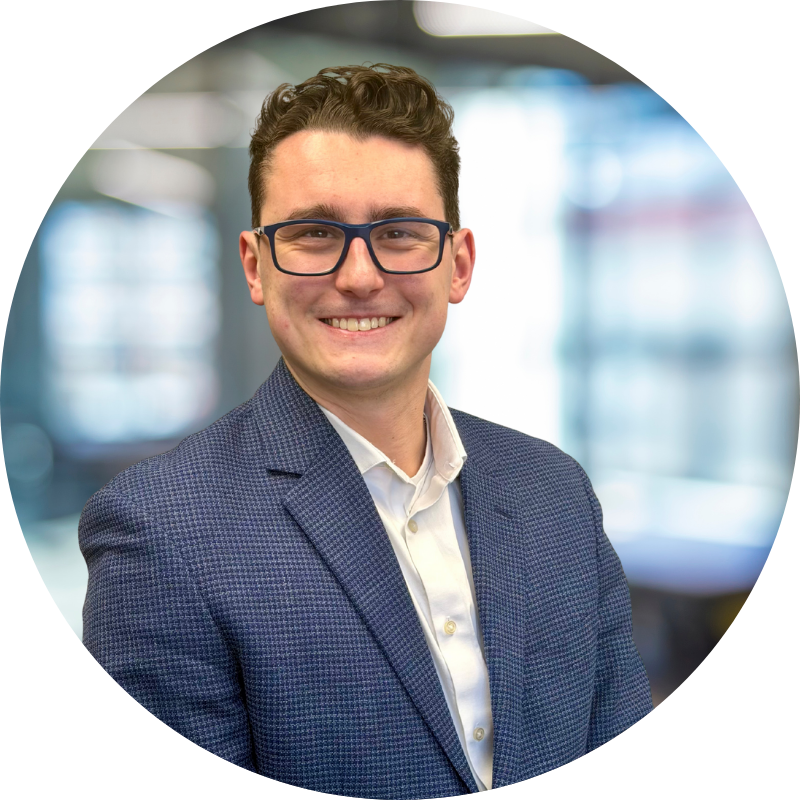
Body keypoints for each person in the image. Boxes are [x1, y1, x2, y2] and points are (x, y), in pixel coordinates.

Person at [80, 64, 652, 798]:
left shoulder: (555, 491)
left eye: (400, 232)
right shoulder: (161, 530)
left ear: (458, 265)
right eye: (315, 233)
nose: (358, 276)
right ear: (255, 266)